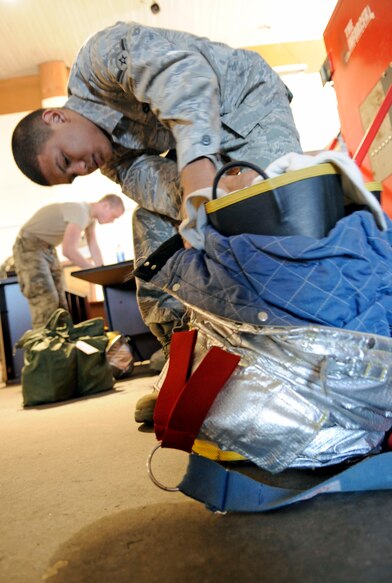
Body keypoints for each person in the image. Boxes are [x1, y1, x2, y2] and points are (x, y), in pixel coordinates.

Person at [11, 21, 302, 421]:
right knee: (150, 223)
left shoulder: (98, 62)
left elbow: (183, 74)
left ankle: (287, 361)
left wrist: (201, 169)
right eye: (73, 174)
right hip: (201, 149)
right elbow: (166, 190)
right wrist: (203, 198)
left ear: (56, 118)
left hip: (244, 107)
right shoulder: (112, 165)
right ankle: (183, 358)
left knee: (262, 214)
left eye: (67, 159)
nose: (82, 167)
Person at [12, 194, 124, 329]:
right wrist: (92, 271)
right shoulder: (80, 211)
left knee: (61, 303)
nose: (112, 221)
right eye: (114, 216)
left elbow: (93, 244)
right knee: (46, 301)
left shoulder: (89, 219)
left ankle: (63, 345)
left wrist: (102, 271)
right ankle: (45, 347)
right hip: (29, 247)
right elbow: (69, 250)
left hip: (48, 249)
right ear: (105, 205)